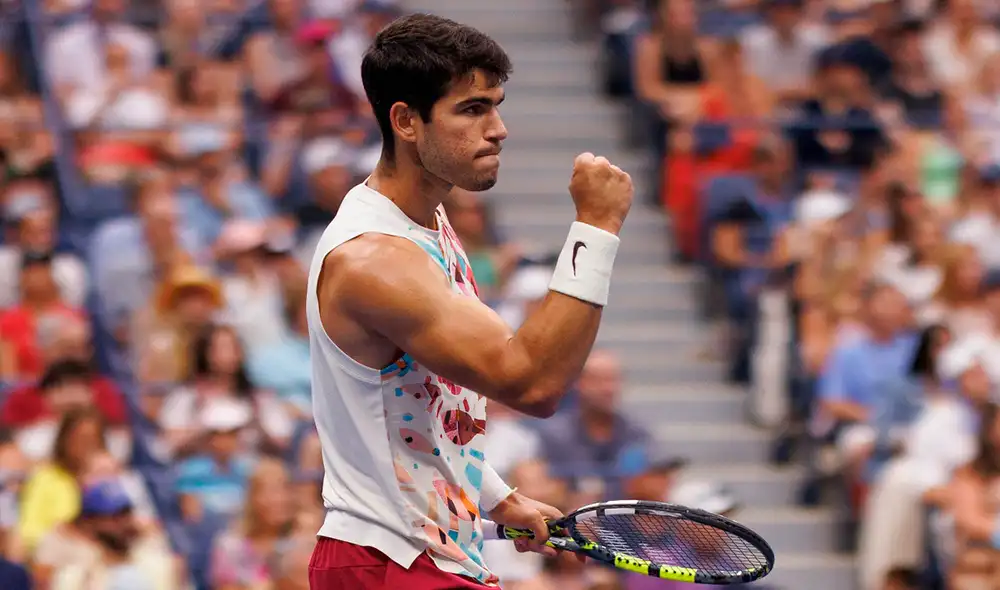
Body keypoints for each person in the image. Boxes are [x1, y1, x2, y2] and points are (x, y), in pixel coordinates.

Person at [305, 13, 633, 590]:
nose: (499, 128)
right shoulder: (375, 260)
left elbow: (418, 410)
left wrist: (499, 498)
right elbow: (532, 383)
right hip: (389, 562)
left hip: (419, 554)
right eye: (473, 109)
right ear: (406, 121)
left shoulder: (427, 219)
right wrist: (596, 226)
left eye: (496, 105)